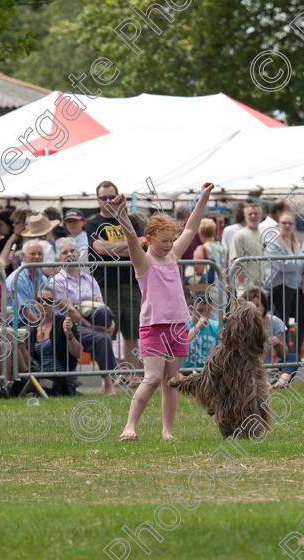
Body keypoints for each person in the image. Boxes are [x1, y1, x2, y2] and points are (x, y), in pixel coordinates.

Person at [115, 181, 214, 441]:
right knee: (151, 377)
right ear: (149, 240)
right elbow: (130, 240)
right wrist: (122, 214)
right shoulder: (143, 262)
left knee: (171, 380)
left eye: (171, 241)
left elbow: (192, 228)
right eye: (164, 241)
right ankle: (130, 426)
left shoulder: (172, 257)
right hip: (154, 326)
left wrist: (202, 198)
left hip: (178, 325)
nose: (170, 245)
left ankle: (167, 432)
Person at [85, 180, 146, 371]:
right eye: (104, 198)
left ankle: (130, 374)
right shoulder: (93, 223)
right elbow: (100, 248)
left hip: (132, 282)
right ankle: (108, 377)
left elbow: (144, 244)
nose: (108, 200)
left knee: (133, 333)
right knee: (107, 331)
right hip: (106, 285)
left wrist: (114, 248)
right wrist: (131, 247)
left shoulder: (131, 220)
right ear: (98, 199)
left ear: (118, 197)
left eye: (112, 197)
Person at [50, 237, 117, 395]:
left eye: (73, 251)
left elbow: (102, 305)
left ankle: (109, 383)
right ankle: (109, 383)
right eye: (65, 252)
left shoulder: (89, 279)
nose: (69, 254)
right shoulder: (56, 281)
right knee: (103, 338)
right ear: (59, 258)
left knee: (104, 313)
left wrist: (111, 323)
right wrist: (92, 327)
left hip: (93, 320)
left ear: (78, 254)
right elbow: (70, 310)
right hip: (69, 325)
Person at [264, 211, 304, 358]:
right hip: (280, 287)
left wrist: (301, 263)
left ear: (295, 225)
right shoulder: (273, 243)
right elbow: (283, 266)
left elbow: (293, 263)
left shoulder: (294, 241)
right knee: (283, 324)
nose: (287, 226)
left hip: (296, 286)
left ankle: (294, 353)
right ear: (279, 225)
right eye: (284, 223)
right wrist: (303, 262)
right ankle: (284, 355)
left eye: (290, 223)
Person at [25, 286, 83, 396]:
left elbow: (78, 353)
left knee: (45, 384)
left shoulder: (63, 322)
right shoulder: (33, 329)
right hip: (42, 373)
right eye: (41, 300)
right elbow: (31, 360)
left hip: (62, 377)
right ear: (34, 303)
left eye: (49, 300)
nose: (45, 303)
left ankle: (36, 391)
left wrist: (69, 334)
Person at [6, 240, 48, 327]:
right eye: (33, 254)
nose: (37, 257)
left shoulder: (42, 277)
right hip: (18, 323)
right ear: (23, 256)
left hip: (37, 321)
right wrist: (43, 328)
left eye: (40, 254)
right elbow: (26, 312)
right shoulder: (17, 278)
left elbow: (48, 304)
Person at [243, 287, 286, 367]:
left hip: (270, 368)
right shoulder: (242, 324)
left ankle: (281, 380)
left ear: (264, 305)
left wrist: (278, 343)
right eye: (252, 306)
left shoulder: (275, 321)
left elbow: (283, 355)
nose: (256, 309)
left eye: (258, 305)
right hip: (249, 368)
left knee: (293, 357)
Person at [229, 200, 264, 291]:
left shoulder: (263, 235)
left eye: (256, 213)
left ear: (261, 216)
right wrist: (245, 284)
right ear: (245, 216)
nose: (253, 216)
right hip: (247, 288)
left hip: (262, 286)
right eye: (250, 214)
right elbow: (235, 261)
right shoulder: (240, 235)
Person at [183, 294, 219, 370]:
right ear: (191, 309)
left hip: (208, 372)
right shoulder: (183, 326)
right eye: (200, 311)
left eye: (207, 310)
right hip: (186, 371)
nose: (204, 315)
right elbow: (182, 344)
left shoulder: (216, 327)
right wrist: (197, 327)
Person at [190, 217, 227, 290]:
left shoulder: (202, 248)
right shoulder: (221, 246)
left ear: (200, 233)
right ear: (214, 232)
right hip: (222, 286)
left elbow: (198, 269)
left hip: (209, 288)